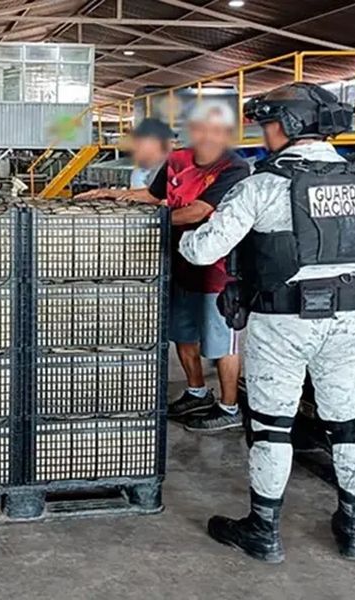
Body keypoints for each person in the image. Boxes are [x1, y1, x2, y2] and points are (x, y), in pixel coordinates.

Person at [179, 83, 355, 563]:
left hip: (281, 324)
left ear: (287, 125)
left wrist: (183, 237)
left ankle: (263, 531)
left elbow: (203, 250)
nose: (265, 134)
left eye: (268, 124)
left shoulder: (264, 184)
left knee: (271, 427)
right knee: (348, 425)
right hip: (349, 322)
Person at [153, 101, 249, 432]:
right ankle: (197, 392)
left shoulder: (234, 167)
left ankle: (229, 406)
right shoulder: (177, 160)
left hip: (217, 273)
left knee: (221, 342)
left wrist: (149, 223)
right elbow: (153, 196)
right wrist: (111, 195)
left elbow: (199, 211)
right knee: (183, 335)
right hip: (181, 267)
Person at [74, 117, 174, 200]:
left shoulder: (174, 166)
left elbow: (162, 199)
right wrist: (105, 192)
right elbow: (150, 195)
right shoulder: (141, 169)